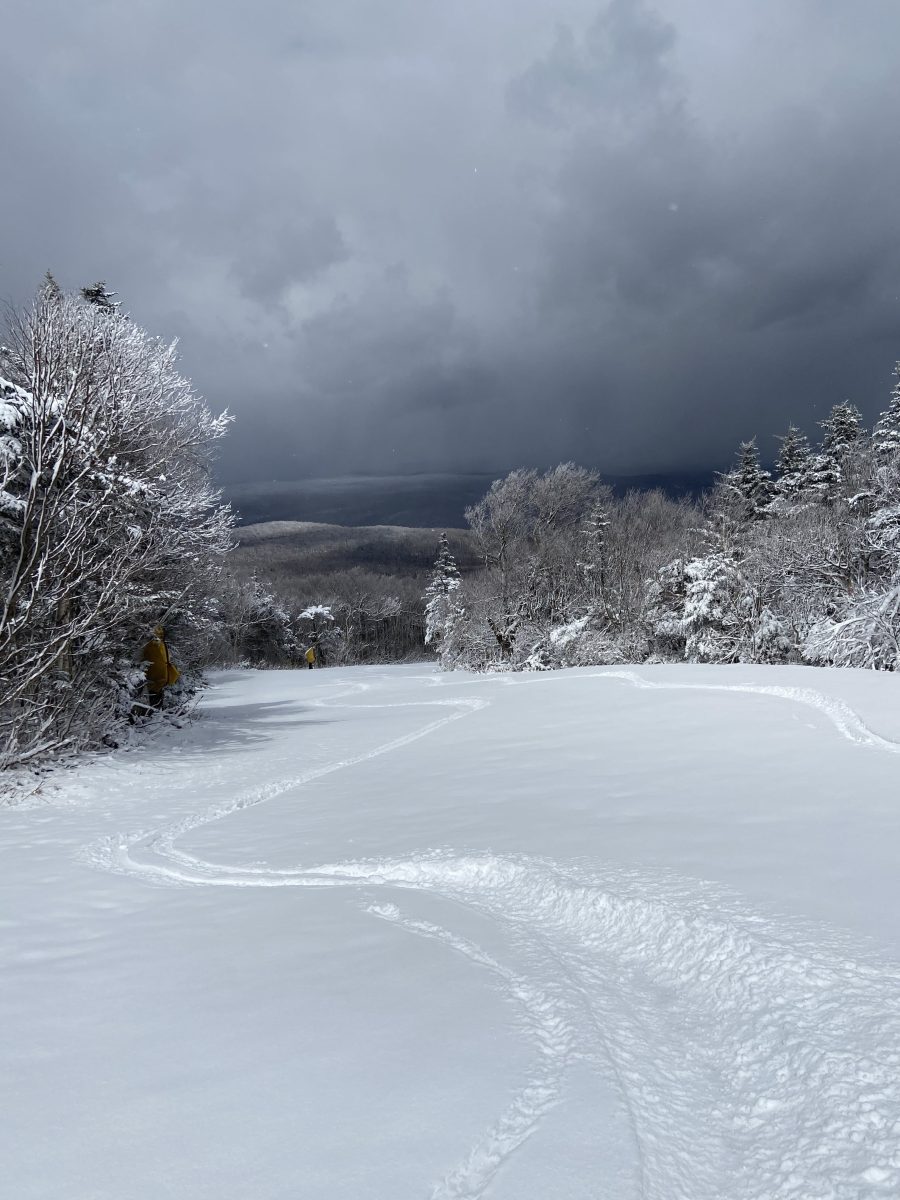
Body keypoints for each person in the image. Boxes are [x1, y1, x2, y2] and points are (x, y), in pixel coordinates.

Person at [142, 625, 180, 708]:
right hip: (158, 677)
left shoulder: (157, 644)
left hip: (158, 677)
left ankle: (154, 712)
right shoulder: (155, 644)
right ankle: (154, 712)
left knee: (155, 693)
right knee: (155, 694)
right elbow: (158, 662)